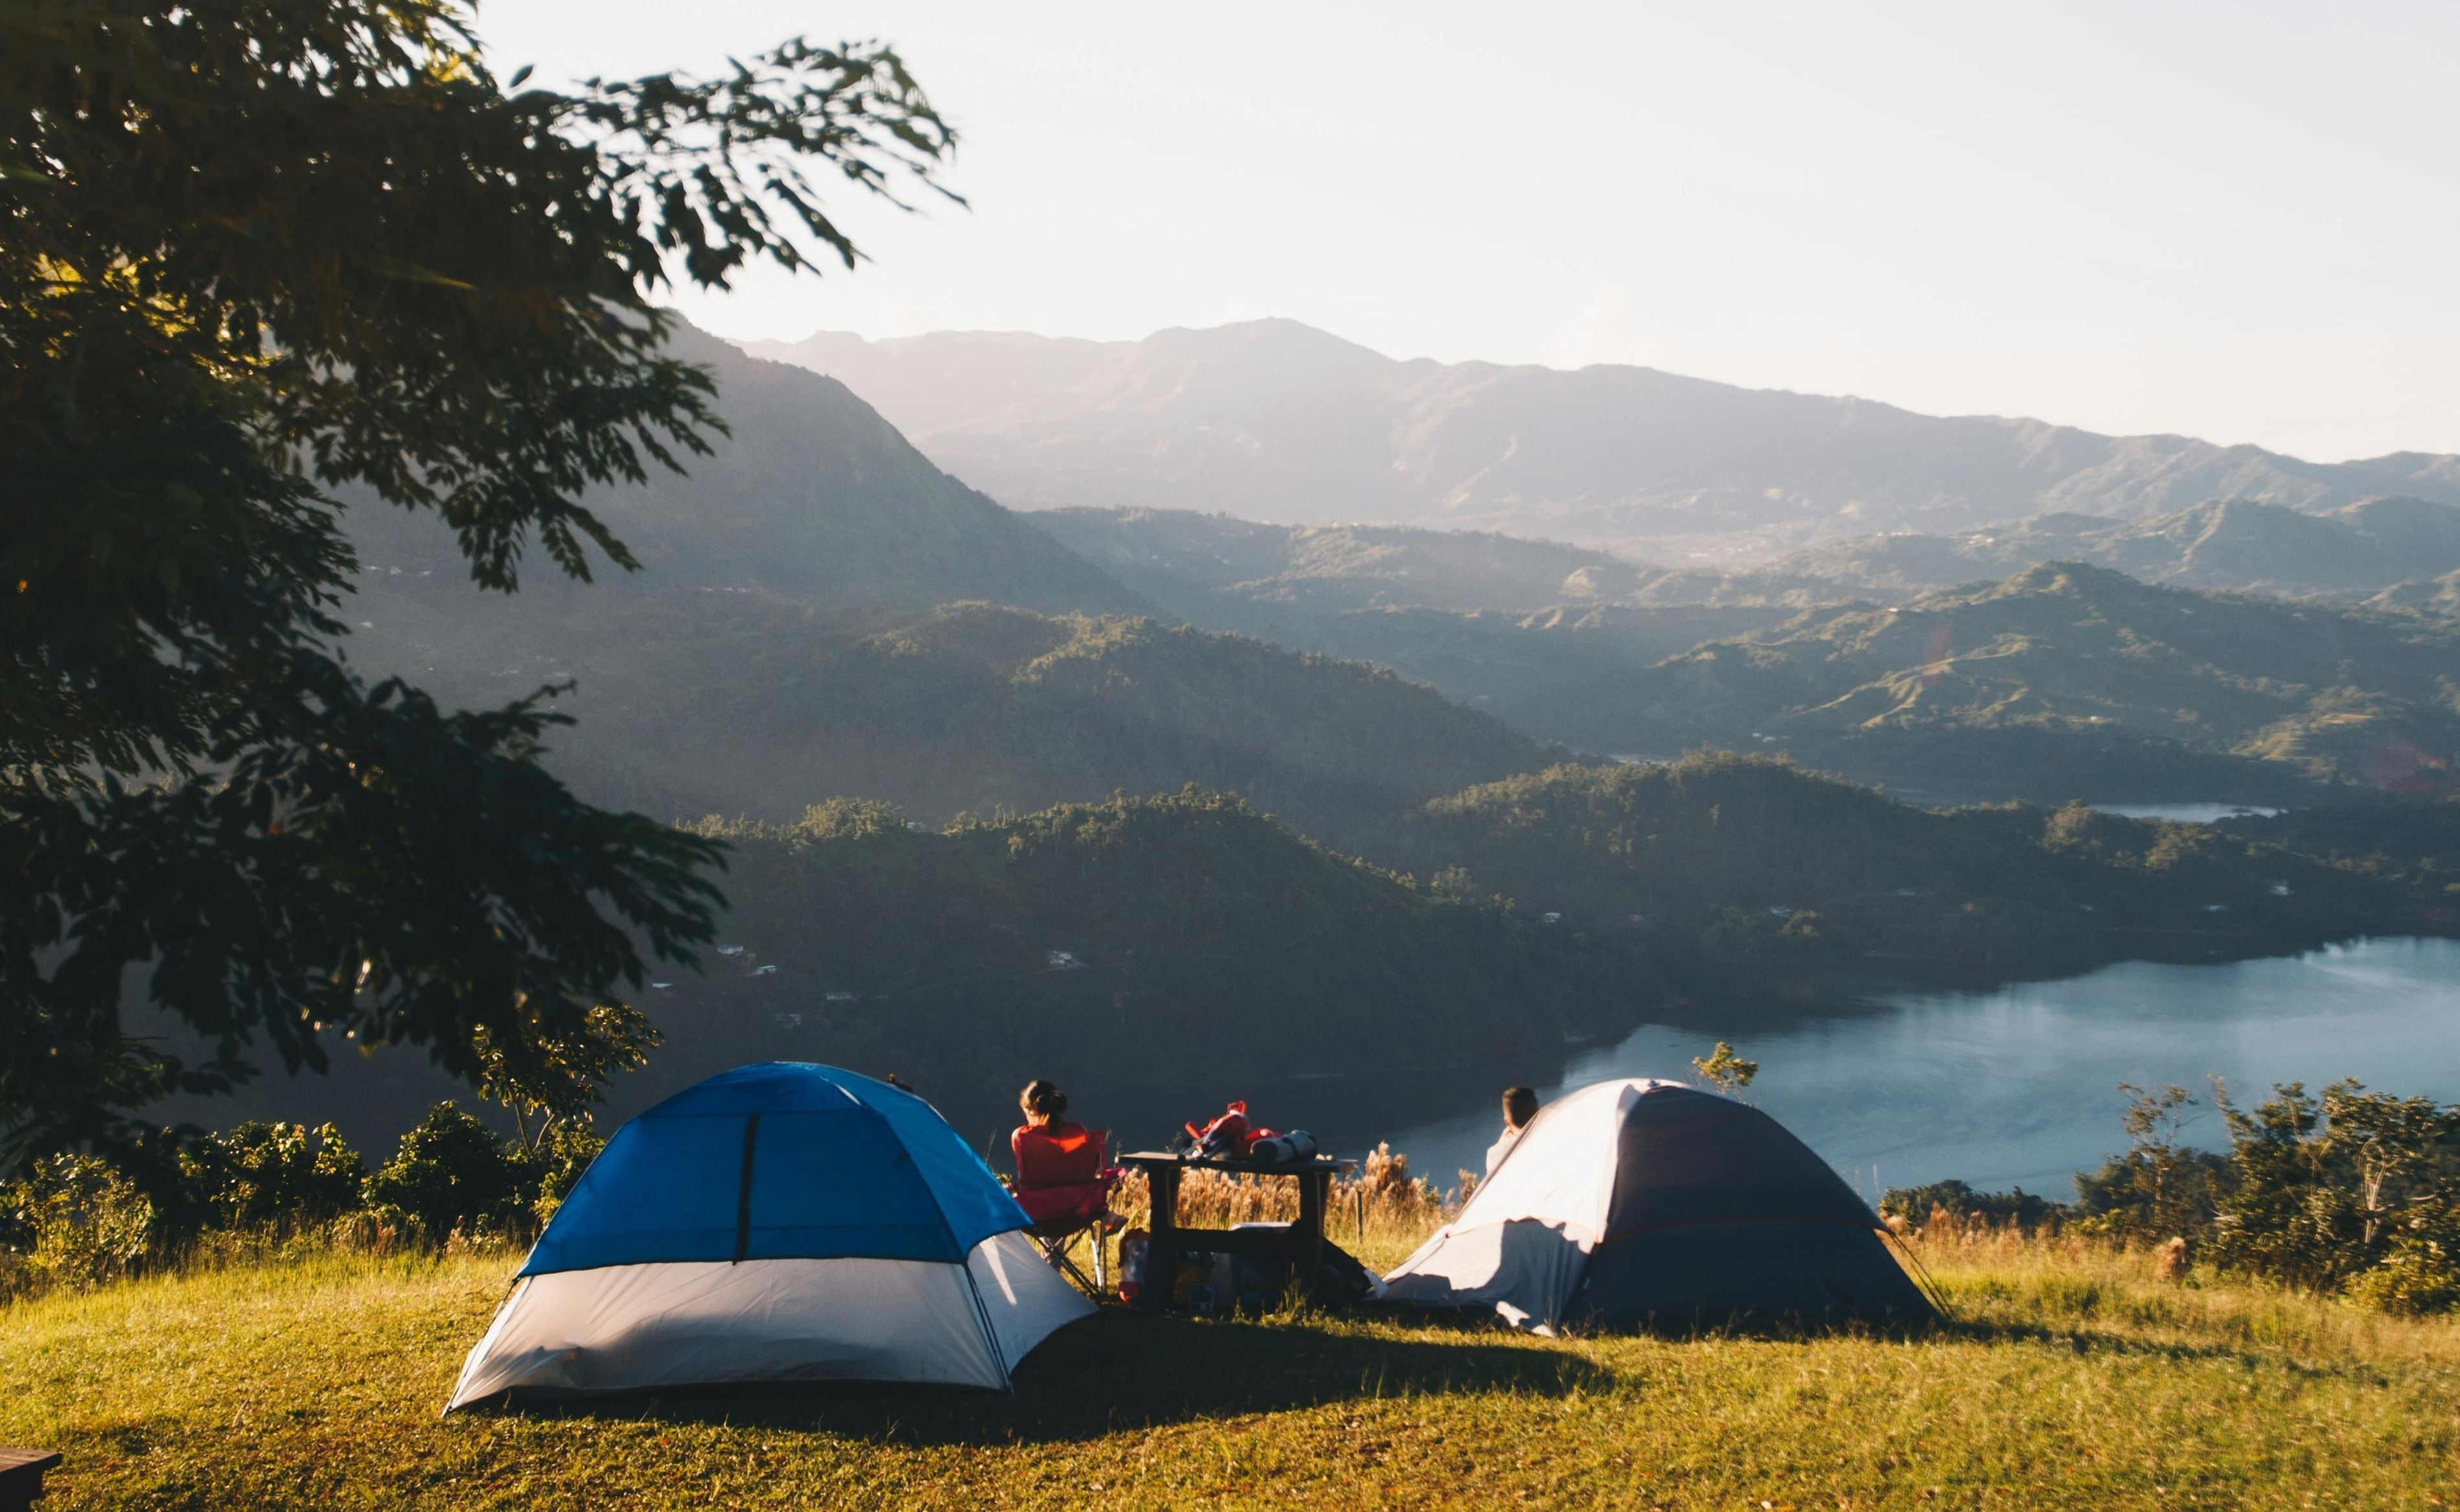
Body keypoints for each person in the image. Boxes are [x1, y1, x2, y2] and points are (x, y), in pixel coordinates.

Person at [1010, 1080, 1124, 1231]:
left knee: (1032, 1199)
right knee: (1069, 1198)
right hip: (1078, 1214)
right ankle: (1107, 1217)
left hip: (1035, 1214)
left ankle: (1051, 1254)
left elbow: (1025, 1179)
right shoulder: (1080, 1134)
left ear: (1031, 1111)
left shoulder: (1022, 1137)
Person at [1486, 1086, 1540, 1176]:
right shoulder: (1552, 1138)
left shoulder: (1494, 1154)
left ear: (1506, 1122)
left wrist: (1500, 1146)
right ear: (1539, 1113)